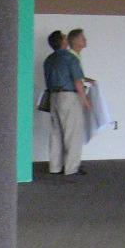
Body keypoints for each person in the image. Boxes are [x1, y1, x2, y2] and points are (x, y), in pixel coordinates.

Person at [42, 28, 88, 176]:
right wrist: (85, 100)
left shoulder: (48, 60)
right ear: (63, 42)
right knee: (72, 133)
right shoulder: (70, 58)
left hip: (54, 96)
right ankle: (71, 168)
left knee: (56, 133)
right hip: (69, 97)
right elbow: (77, 81)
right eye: (65, 37)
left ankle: (55, 166)